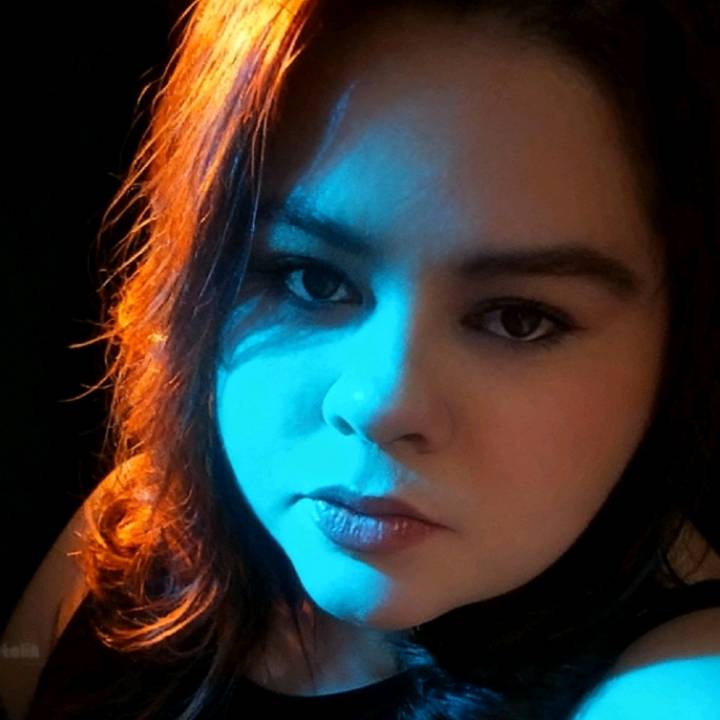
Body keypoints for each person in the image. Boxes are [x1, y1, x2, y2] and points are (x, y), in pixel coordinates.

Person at [2, 0, 720, 717]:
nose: (379, 403)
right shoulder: (141, 523)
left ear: (676, 344)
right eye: (311, 279)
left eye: (518, 320)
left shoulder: (683, 679)